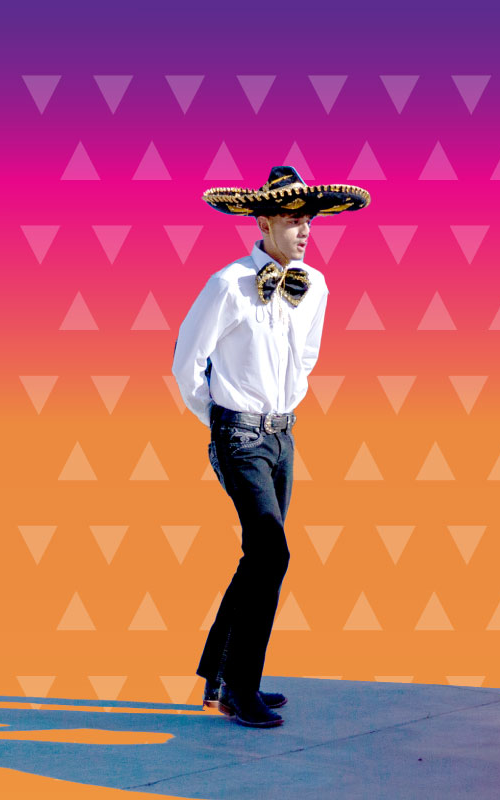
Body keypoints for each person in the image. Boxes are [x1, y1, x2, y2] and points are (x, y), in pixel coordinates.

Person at [173, 166, 370, 727]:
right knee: (271, 552)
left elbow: (306, 356)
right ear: (262, 223)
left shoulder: (317, 286)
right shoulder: (228, 284)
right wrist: (221, 418)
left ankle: (220, 675)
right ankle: (240, 687)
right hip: (238, 434)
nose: (304, 230)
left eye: (308, 220)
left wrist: (281, 407)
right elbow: (187, 360)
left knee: (259, 557)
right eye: (291, 220)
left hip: (283, 435)